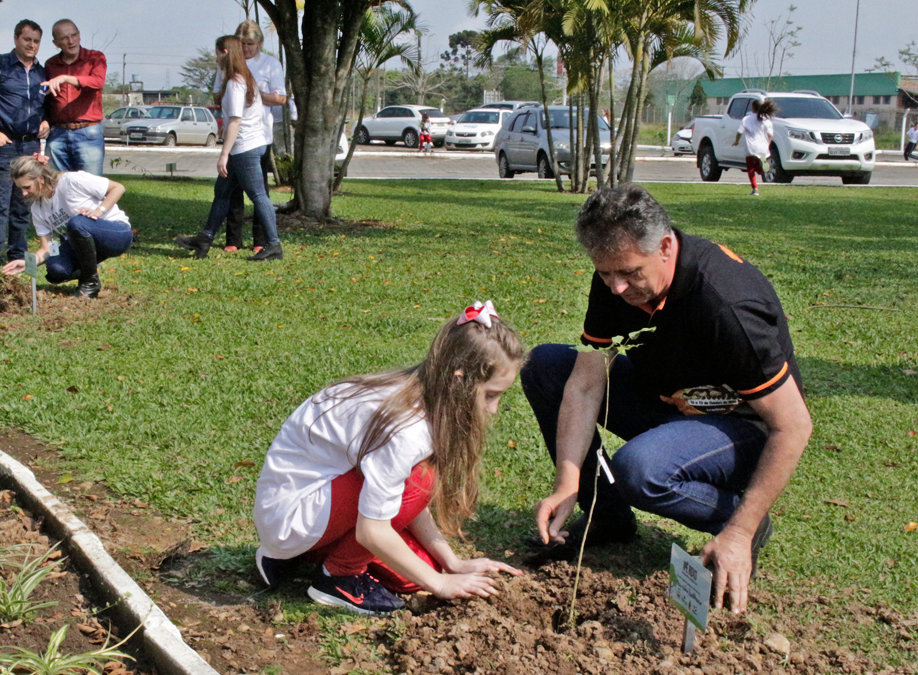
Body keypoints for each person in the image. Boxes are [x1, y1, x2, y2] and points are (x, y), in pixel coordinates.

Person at [521, 184, 812, 615]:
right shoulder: (617, 277)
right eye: (605, 274)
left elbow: (793, 425)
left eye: (630, 273)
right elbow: (585, 384)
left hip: (742, 428)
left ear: (665, 246)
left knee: (640, 469)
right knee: (546, 367)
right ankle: (607, 516)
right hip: (670, 401)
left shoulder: (726, 304)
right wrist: (568, 480)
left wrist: (739, 530)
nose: (617, 288)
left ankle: (738, 516)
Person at [253, 302, 525, 614]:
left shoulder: (419, 393)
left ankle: (297, 555)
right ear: (458, 379)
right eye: (490, 395)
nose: (493, 409)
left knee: (413, 576)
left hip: (312, 505)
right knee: (422, 481)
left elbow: (400, 497)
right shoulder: (408, 430)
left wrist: (451, 563)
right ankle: (338, 578)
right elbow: (373, 529)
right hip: (291, 514)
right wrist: (440, 583)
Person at [175, 36, 283, 262]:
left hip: (244, 147)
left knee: (258, 196)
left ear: (224, 52)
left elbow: (235, 120)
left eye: (217, 53)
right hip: (247, 145)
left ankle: (273, 245)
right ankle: (204, 239)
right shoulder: (245, 78)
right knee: (222, 194)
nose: (215, 58)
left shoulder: (236, 82)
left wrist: (224, 154)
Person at [0, 20, 50, 275]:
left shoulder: (42, 72)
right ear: (16, 38)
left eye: (36, 41)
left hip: (30, 145)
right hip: (5, 145)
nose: (32, 45)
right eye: (27, 40)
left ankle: (17, 254)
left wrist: (47, 120)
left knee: (23, 202)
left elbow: (48, 105)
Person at [1, 156, 132, 299]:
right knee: (55, 270)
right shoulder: (38, 209)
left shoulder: (71, 181)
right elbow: (47, 248)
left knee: (76, 223)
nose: (24, 193)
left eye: (27, 187)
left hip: (118, 234)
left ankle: (90, 282)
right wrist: (29, 262)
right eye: (21, 189)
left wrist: (99, 211)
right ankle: (88, 270)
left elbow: (118, 188)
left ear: (41, 179)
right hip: (83, 243)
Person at [212, 21, 287, 254]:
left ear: (260, 44)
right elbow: (216, 94)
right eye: (242, 44)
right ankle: (232, 239)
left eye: (251, 45)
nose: (246, 49)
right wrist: (235, 94)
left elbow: (281, 98)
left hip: (258, 135)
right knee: (230, 190)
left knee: (258, 190)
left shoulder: (270, 64)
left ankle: (262, 240)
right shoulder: (228, 66)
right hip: (237, 136)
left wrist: (254, 94)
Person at [42, 19, 107, 175]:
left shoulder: (95, 58)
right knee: (56, 186)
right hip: (57, 134)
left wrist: (65, 78)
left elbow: (97, 82)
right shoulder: (50, 64)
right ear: (56, 43)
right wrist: (44, 120)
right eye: (64, 38)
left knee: (91, 187)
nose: (71, 41)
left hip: (88, 132)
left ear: (79, 35)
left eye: (74, 35)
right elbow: (45, 98)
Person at [733, 99, 776, 196]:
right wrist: (768, 145)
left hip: (751, 148)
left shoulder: (747, 119)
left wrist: (736, 141)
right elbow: (770, 135)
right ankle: (761, 166)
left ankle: (755, 188)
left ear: (752, 107)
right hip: (763, 148)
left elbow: (739, 132)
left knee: (751, 169)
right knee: (759, 169)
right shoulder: (767, 120)